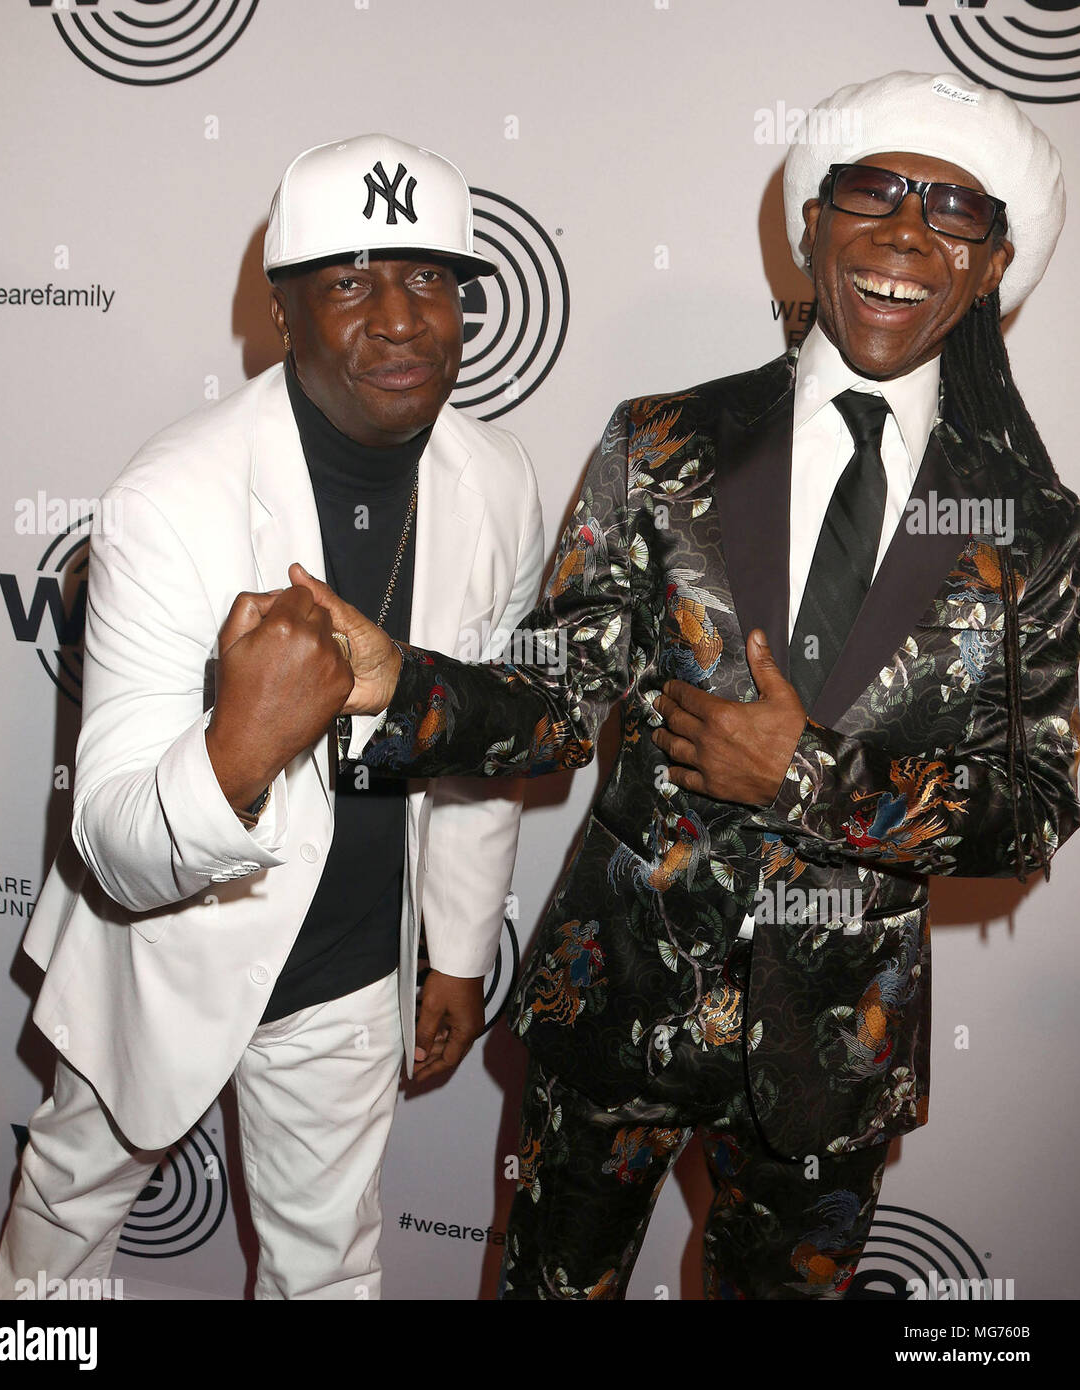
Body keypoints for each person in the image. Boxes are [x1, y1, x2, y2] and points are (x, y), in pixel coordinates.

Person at [311, 74, 1080, 1299]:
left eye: (951, 211)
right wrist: (392, 682)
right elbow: (559, 692)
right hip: (614, 997)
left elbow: (1038, 801)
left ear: (990, 266)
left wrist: (809, 779)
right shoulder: (662, 443)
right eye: (872, 194)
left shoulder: (1034, 527)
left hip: (837, 1050)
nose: (903, 233)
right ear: (811, 226)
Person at [0, 134, 544, 1300]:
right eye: (349, 281)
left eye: (431, 278)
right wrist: (239, 749)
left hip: (352, 963)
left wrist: (453, 948)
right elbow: (112, 842)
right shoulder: (171, 498)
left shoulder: (499, 482)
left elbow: (479, 744)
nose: (399, 318)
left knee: (327, 1269)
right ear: (282, 312)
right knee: (66, 1220)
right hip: (162, 950)